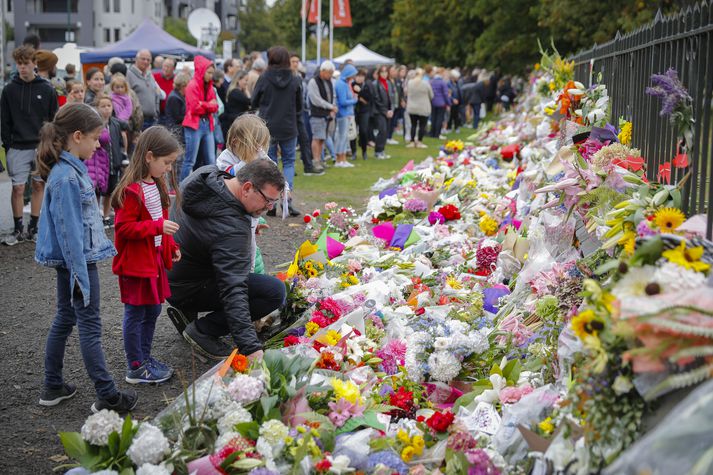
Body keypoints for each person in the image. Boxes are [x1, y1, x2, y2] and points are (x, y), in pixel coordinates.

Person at [34, 102, 138, 413]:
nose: (97, 145)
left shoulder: (69, 171)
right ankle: (107, 395)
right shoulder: (66, 178)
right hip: (78, 265)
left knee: (65, 319)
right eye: (95, 139)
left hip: (75, 263)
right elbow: (70, 235)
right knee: (89, 326)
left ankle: (52, 385)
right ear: (77, 136)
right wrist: (80, 276)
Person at [166, 159, 287, 360]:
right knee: (274, 292)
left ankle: (188, 310)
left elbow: (207, 232)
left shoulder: (207, 175)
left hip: (173, 275)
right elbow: (234, 289)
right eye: (268, 201)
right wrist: (250, 348)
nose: (269, 207)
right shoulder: (232, 228)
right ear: (247, 188)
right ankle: (203, 330)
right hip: (188, 287)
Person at [111, 126, 181, 384]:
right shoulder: (131, 190)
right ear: (149, 156)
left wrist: (170, 245)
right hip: (136, 264)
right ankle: (136, 367)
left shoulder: (157, 184)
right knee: (136, 313)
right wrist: (157, 228)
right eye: (166, 162)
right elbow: (124, 228)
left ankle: (145, 358)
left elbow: (162, 220)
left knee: (152, 310)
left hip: (154, 260)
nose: (169, 169)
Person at [1, 45, 58, 245]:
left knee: (38, 185)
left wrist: (49, 145)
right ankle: (18, 229)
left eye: (26, 64)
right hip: (17, 147)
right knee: (17, 188)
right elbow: (4, 120)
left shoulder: (47, 89)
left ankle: (34, 227)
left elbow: (53, 120)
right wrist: (8, 145)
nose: (22, 68)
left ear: (35, 64)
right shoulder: (8, 90)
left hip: (40, 146)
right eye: (19, 64)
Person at [251, 46, 302, 217]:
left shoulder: (264, 77)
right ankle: (286, 197)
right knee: (288, 161)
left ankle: (270, 201)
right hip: (289, 125)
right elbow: (300, 105)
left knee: (270, 163)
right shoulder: (295, 79)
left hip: (268, 126)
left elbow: (254, 100)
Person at [180, 55, 219, 181]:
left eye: (212, 73)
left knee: (211, 160)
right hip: (194, 125)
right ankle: (181, 187)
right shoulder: (192, 85)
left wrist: (203, 104)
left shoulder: (209, 86)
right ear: (202, 71)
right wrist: (208, 105)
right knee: (190, 160)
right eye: (209, 72)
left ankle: (213, 187)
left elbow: (216, 106)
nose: (211, 75)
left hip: (207, 123)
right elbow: (195, 108)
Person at [308, 61, 338, 172]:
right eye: (329, 73)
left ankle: (320, 160)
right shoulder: (313, 81)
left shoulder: (329, 81)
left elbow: (332, 95)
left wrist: (332, 107)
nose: (330, 75)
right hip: (317, 114)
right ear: (323, 71)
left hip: (326, 115)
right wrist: (330, 106)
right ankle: (315, 162)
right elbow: (315, 99)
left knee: (322, 139)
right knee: (317, 138)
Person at [127, 49, 161, 130]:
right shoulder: (128, 74)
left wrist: (156, 111)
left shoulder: (150, 74)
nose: (146, 61)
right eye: (143, 59)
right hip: (138, 121)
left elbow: (156, 93)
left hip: (152, 120)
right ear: (136, 59)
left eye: (148, 60)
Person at [334, 64, 357, 168]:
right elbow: (342, 101)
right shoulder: (342, 84)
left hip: (346, 114)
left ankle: (343, 159)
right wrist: (354, 100)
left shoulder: (344, 83)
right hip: (343, 114)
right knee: (342, 137)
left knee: (343, 137)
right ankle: (339, 160)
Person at [406, 68, 433, 149]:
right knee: (422, 125)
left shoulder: (410, 83)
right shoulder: (425, 83)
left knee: (413, 125)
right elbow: (431, 95)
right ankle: (420, 142)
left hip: (412, 106)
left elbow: (407, 93)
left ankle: (412, 141)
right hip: (423, 107)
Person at [220, 70, 251, 139]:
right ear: (238, 80)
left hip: (234, 122)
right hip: (232, 123)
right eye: (245, 80)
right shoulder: (235, 92)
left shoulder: (236, 91)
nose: (247, 83)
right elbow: (250, 102)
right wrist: (247, 91)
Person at [160, 72, 190, 139]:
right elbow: (177, 118)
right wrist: (190, 116)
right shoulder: (174, 97)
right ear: (183, 85)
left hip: (179, 129)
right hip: (175, 131)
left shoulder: (180, 95)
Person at [372, 65, 393, 159]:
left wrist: (391, 109)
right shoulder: (376, 84)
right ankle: (378, 151)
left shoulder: (388, 83)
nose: (384, 74)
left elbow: (391, 98)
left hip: (387, 111)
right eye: (382, 72)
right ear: (379, 73)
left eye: (385, 72)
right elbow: (377, 100)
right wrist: (385, 111)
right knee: (382, 130)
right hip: (379, 111)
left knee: (385, 132)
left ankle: (382, 150)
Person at [354, 69, 373, 161]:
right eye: (358, 76)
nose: (360, 78)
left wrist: (360, 92)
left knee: (363, 131)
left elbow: (368, 99)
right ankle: (353, 152)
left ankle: (364, 151)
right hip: (354, 111)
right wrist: (360, 98)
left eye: (362, 76)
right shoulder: (352, 84)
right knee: (353, 132)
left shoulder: (366, 85)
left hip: (364, 111)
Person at [429, 68, 451, 139]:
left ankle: (432, 133)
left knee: (433, 118)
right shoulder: (442, 82)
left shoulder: (431, 81)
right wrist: (448, 103)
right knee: (439, 119)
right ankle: (437, 134)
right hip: (441, 103)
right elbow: (445, 94)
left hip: (433, 102)